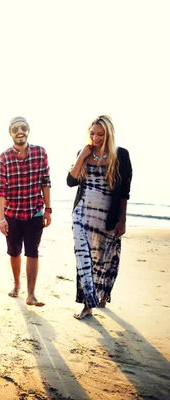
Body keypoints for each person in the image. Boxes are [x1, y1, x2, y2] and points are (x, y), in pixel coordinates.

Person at [67, 115, 132, 320]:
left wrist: (122, 220)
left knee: (102, 260)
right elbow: (70, 181)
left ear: (108, 134)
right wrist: (81, 157)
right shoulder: (84, 153)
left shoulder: (120, 155)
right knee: (83, 258)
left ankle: (99, 295)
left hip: (106, 217)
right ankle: (87, 306)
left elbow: (124, 192)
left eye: (100, 134)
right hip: (82, 213)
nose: (95, 138)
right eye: (93, 133)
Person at [0, 116, 51, 307]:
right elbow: (0, 191)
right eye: (15, 129)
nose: (20, 131)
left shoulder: (40, 153)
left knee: (33, 252)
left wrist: (48, 210)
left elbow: (46, 182)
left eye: (23, 128)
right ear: (10, 133)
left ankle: (31, 294)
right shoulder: (3, 158)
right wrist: (1, 218)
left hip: (35, 213)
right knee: (14, 252)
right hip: (12, 214)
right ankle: (17, 284)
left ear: (28, 130)